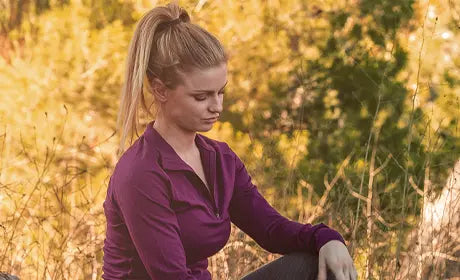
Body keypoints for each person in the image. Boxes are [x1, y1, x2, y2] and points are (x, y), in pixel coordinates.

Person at [102, 2, 357, 280]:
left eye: (220, 92)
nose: (217, 107)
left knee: (317, 263)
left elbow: (271, 230)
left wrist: (327, 238)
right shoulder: (141, 174)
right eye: (201, 97)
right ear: (160, 90)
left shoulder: (220, 160)